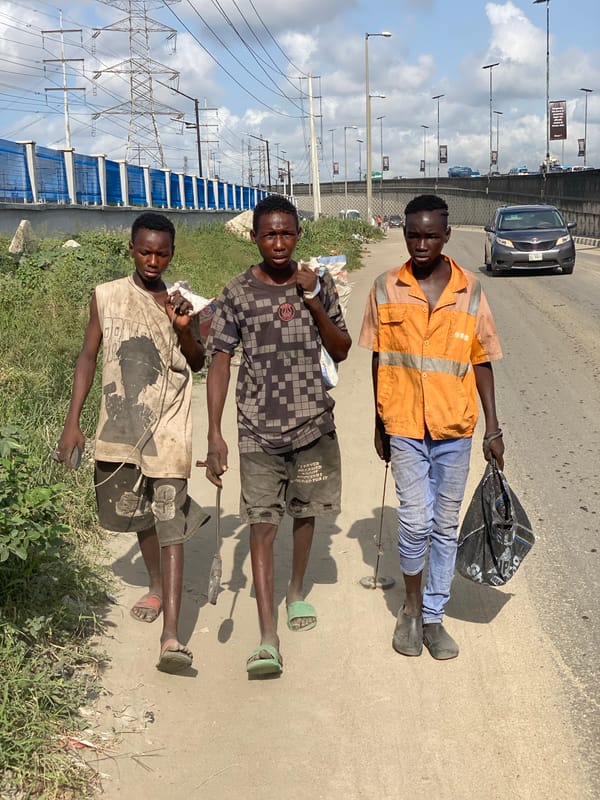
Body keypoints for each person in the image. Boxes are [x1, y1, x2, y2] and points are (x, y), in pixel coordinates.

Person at [204, 195, 352, 676]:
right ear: (254, 237)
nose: (279, 242)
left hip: (312, 423)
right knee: (262, 525)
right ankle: (268, 636)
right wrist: (214, 433)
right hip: (257, 430)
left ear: (298, 235)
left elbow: (343, 348)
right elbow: (220, 360)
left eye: (287, 232)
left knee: (307, 514)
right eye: (269, 233)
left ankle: (295, 593)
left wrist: (312, 298)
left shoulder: (317, 285)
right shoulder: (237, 293)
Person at [56, 211, 209, 674]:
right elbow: (88, 356)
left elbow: (198, 362)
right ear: (131, 248)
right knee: (140, 516)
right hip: (119, 426)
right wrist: (72, 421)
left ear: (172, 253)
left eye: (162, 252)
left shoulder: (183, 304)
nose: (153, 260)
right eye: (145, 250)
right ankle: (157, 586)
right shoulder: (107, 297)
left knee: (169, 522)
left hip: (169, 428)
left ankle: (171, 637)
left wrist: (184, 329)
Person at [358, 194, 504, 660]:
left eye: (429, 235)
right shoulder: (384, 288)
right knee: (415, 522)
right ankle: (413, 608)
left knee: (444, 525)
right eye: (412, 235)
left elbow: (481, 362)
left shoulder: (472, 291)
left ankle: (435, 617)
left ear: (446, 234)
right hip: (403, 423)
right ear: (405, 234)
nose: (420, 244)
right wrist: (378, 422)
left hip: (455, 427)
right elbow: (379, 358)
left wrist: (494, 429)